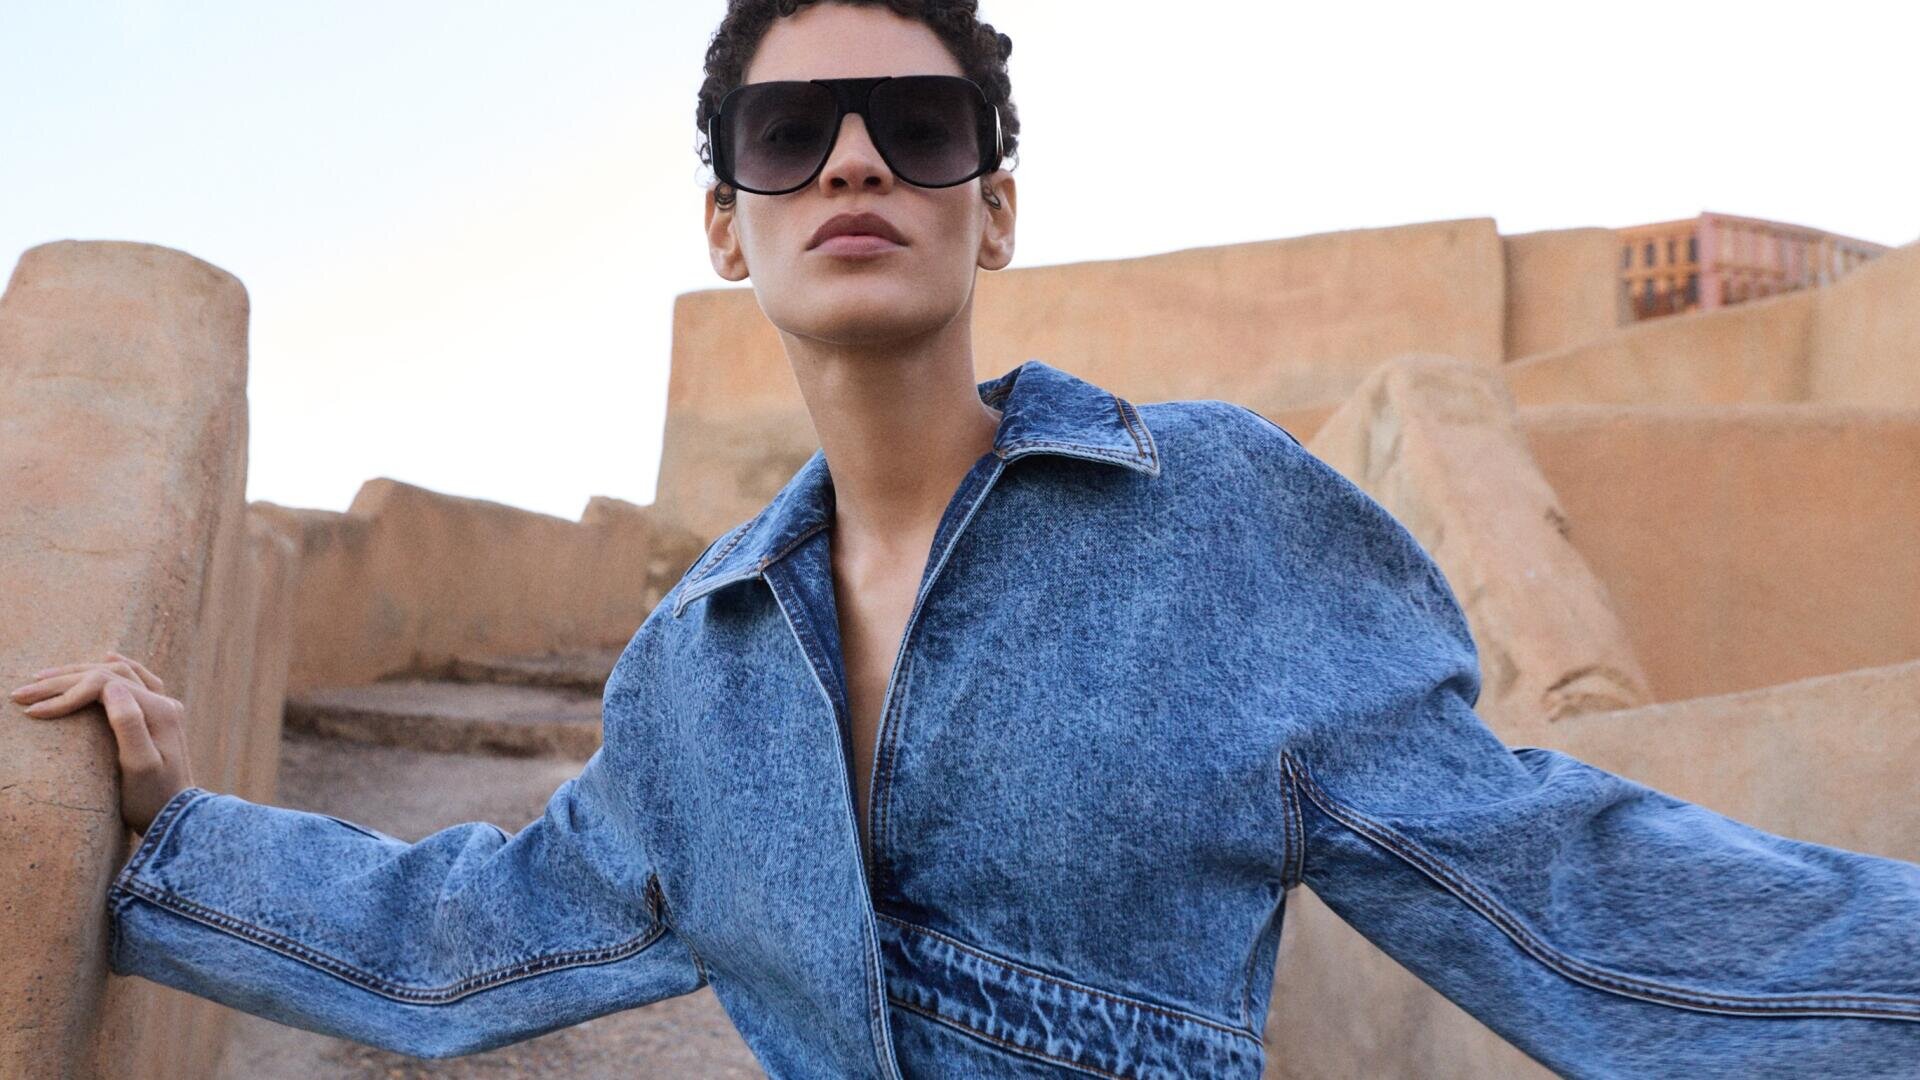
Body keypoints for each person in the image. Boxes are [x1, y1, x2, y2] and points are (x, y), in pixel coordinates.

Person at [15, 1, 1920, 1076]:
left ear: (993, 214)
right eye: (791, 135)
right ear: (725, 223)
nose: (853, 162)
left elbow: (1569, 901)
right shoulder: (698, 662)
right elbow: (461, 947)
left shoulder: (1221, 518)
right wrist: (163, 839)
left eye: (916, 128)